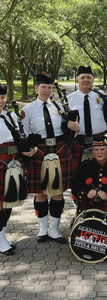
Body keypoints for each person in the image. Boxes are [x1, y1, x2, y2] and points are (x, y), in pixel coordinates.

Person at [21, 73, 80, 244]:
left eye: (49, 88)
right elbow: (23, 133)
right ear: (36, 88)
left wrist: (76, 127)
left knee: (57, 192)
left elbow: (69, 129)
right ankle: (43, 229)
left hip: (59, 149)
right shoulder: (27, 110)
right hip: (38, 152)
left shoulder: (59, 107)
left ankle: (54, 230)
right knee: (40, 193)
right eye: (43, 87)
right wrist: (27, 149)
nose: (47, 90)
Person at [68, 66, 107, 172]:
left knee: (101, 174)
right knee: (78, 177)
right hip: (77, 142)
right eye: (83, 77)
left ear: (93, 79)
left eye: (89, 77)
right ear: (77, 80)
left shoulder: (101, 97)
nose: (86, 80)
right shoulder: (69, 99)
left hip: (99, 140)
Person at [71, 136, 107, 224]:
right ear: (92, 152)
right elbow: (75, 187)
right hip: (88, 204)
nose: (99, 152)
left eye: (102, 149)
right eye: (96, 150)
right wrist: (86, 194)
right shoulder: (83, 166)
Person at [0, 84, 26, 255]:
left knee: (8, 201)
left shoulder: (9, 115)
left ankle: (1, 236)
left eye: (2, 98)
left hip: (11, 162)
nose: (1, 101)